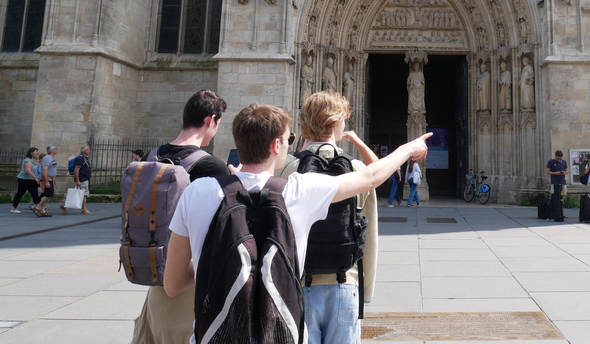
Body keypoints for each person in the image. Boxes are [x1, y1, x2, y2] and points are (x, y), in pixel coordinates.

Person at [163, 103, 430, 344]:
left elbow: (172, 285)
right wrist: (409, 148)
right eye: (289, 139)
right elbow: (371, 177)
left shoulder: (197, 192)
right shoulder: (297, 192)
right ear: (276, 146)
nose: (291, 144)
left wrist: (217, 264)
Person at [131, 89, 229, 344]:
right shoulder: (211, 166)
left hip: (154, 272)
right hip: (188, 283)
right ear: (210, 120)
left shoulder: (152, 157)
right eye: (217, 124)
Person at [280, 90, 379, 344]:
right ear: (337, 124)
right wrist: (365, 291)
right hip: (345, 284)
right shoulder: (357, 170)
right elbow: (368, 235)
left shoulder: (289, 169)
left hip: (300, 285)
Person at [60, 145, 92, 215]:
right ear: (85, 151)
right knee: (84, 194)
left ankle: (64, 205)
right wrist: (78, 180)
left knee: (81, 193)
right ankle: (84, 209)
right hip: (82, 179)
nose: (89, 151)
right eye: (88, 149)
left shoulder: (85, 158)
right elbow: (76, 170)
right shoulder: (80, 159)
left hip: (84, 178)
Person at [11, 147, 41, 214]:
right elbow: (28, 171)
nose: (37, 153)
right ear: (31, 152)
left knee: (35, 194)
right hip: (24, 180)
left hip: (31, 180)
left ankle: (38, 207)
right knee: (20, 193)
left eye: (37, 151)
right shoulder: (27, 161)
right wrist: (36, 178)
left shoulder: (32, 161)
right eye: (36, 151)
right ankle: (14, 208)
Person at [37, 145, 58, 217]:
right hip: (47, 179)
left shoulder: (51, 158)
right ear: (51, 151)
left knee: (45, 194)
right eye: (55, 149)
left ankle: (43, 210)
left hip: (51, 178)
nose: (57, 150)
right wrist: (46, 181)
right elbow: (44, 171)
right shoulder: (47, 158)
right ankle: (38, 207)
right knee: (49, 194)